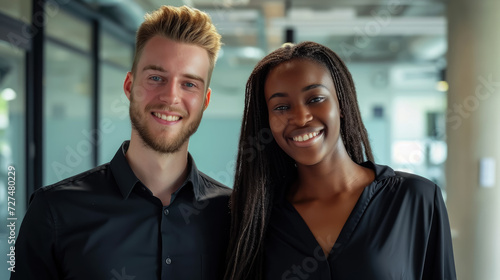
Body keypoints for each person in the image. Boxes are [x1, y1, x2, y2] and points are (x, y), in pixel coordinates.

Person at [12, 5, 231, 280]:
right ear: (129, 86)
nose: (170, 97)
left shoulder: (234, 215)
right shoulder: (55, 211)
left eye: (189, 84)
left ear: (205, 101)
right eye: (156, 78)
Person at [224, 41, 456, 280]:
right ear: (268, 123)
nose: (301, 117)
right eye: (281, 107)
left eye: (315, 99)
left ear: (341, 104)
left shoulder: (416, 199)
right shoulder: (257, 218)